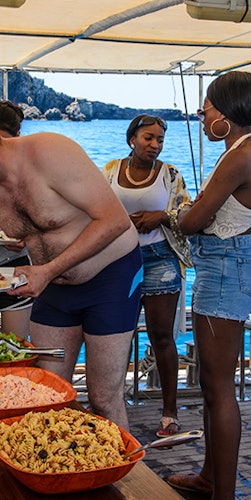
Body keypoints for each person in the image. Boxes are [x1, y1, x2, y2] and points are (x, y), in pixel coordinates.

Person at [166, 71, 251, 499]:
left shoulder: (240, 155)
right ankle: (211, 478)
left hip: (225, 270)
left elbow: (193, 221)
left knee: (218, 388)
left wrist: (183, 211)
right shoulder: (245, 149)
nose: (202, 115)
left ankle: (222, 493)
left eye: (206, 107)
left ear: (226, 113)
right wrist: (196, 211)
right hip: (225, 265)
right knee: (213, 386)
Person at [0, 130, 142, 431]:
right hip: (51, 285)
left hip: (111, 277)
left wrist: (48, 270)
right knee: (44, 393)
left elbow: (115, 220)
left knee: (103, 396)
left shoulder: (49, 152)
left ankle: (121, 476)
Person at [102, 114, 191, 436]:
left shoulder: (169, 174)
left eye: (160, 140)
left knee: (162, 336)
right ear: (132, 139)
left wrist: (162, 216)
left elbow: (188, 212)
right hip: (118, 260)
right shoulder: (111, 170)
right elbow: (95, 207)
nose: (155, 145)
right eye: (148, 138)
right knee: (115, 336)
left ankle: (170, 412)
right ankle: (111, 403)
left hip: (160, 260)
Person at [0, 101, 33, 338]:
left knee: (16, 350)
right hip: (15, 264)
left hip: (16, 266)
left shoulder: (31, 170)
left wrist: (27, 236)